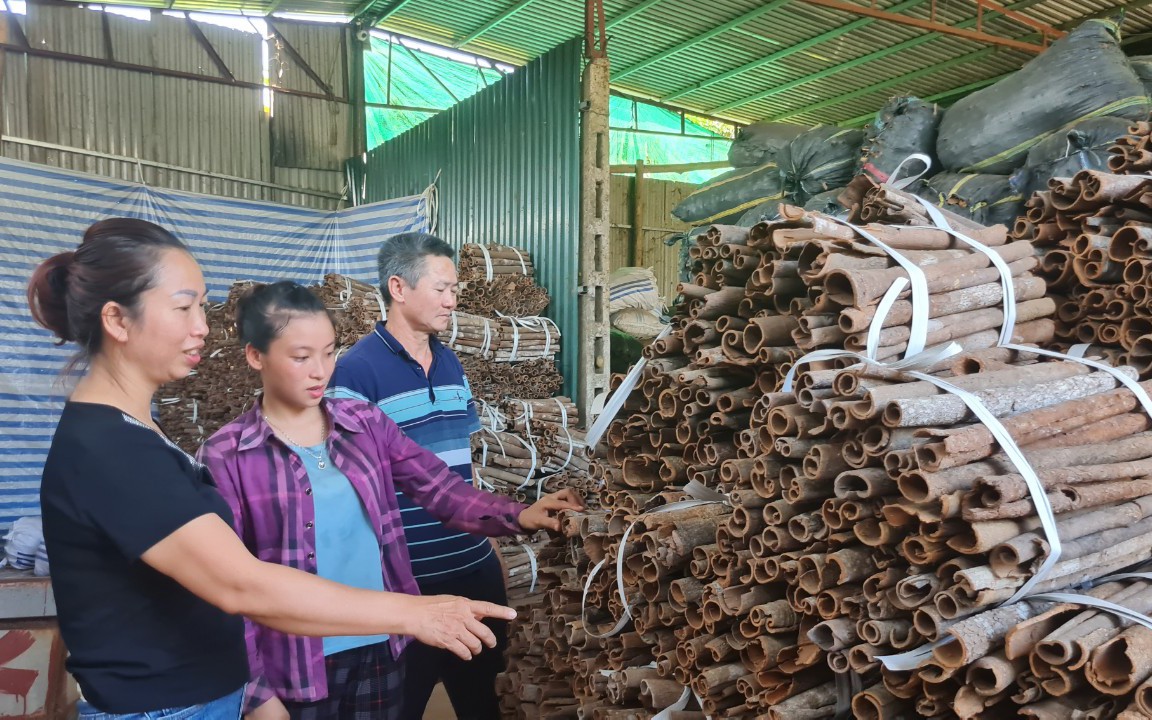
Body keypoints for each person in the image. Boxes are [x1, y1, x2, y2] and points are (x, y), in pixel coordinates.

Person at [30, 219, 536, 720]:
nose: (202, 326)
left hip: (210, 694)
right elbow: (242, 584)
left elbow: (438, 486)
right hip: (173, 707)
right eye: (183, 307)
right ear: (118, 321)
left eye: (202, 307)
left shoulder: (135, 433)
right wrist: (416, 611)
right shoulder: (115, 449)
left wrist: (521, 515)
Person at [199, 280, 583, 720]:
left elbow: (438, 489)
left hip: (384, 647)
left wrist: (519, 515)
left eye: (329, 353)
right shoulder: (227, 455)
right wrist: (257, 695)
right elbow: (224, 589)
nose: (320, 371)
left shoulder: (362, 422)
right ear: (255, 356)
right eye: (301, 357)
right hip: (296, 665)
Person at [327, 233, 510, 720]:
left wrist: (486, 539)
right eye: (441, 288)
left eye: (455, 289)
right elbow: (347, 486)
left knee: (484, 700)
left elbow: (460, 464)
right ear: (398, 288)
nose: (452, 300)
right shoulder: (354, 374)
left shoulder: (450, 362)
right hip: (407, 582)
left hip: (473, 567)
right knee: (399, 705)